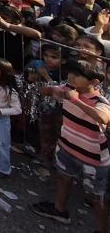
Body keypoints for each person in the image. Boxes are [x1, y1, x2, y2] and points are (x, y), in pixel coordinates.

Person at [31, 60, 110, 230]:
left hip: (93, 158)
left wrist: (76, 101)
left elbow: (103, 118)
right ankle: (59, 210)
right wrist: (45, 87)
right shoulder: (67, 90)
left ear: (94, 82)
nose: (72, 77)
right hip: (67, 147)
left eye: (78, 75)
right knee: (63, 178)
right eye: (70, 73)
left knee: (98, 197)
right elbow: (49, 91)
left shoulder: (99, 100)